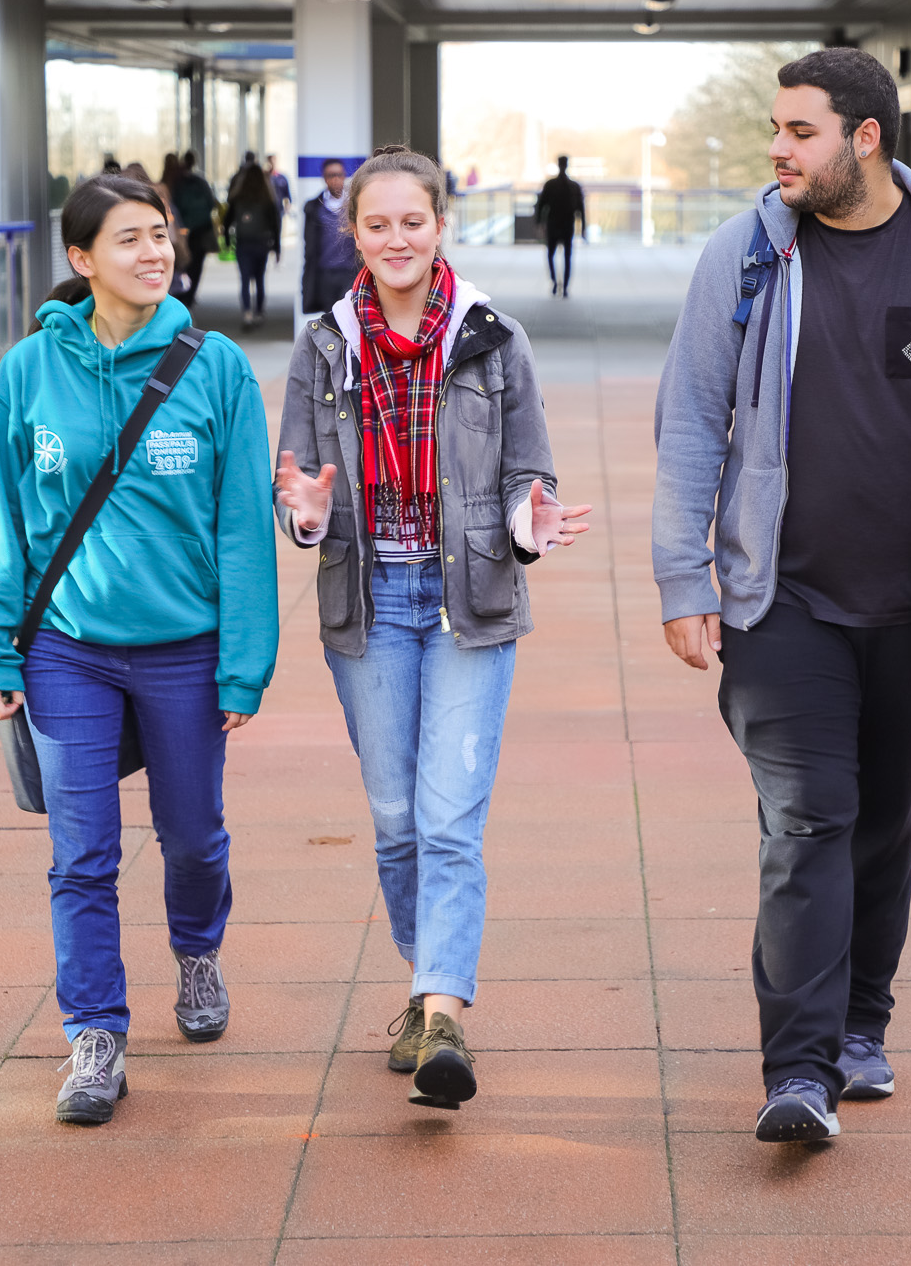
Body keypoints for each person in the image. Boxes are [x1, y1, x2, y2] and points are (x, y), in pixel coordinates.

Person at [653, 48, 911, 1144]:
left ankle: (861, 1023)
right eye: (775, 129)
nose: (778, 149)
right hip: (779, 601)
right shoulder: (742, 255)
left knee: (883, 825)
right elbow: (690, 422)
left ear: (863, 138)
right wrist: (686, 577)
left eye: (799, 131)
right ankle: (799, 1070)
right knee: (805, 821)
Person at [273, 147, 591, 1110]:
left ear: (442, 225)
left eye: (414, 222)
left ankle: (441, 1006)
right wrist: (308, 512)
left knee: (452, 817)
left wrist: (529, 527)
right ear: (353, 233)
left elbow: (528, 471)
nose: (397, 239)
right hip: (369, 605)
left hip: (468, 603)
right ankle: (426, 977)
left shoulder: (493, 339)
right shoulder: (323, 346)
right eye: (378, 225)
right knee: (397, 818)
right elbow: (297, 497)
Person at [0, 173, 279, 1127]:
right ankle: (94, 1034)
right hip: (69, 651)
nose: (154, 253)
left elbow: (242, 527)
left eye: (162, 236)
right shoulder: (29, 370)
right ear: (81, 259)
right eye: (130, 239)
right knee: (81, 852)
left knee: (191, 835)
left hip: (186, 649)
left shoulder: (214, 366)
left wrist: (243, 663)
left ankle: (197, 953)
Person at [225, 163, 282, 331]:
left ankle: (247, 313)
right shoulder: (267, 198)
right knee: (259, 279)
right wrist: (277, 247)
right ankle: (259, 312)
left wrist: (228, 240)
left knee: (244, 279)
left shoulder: (237, 197)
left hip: (243, 242)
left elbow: (228, 220)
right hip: (261, 243)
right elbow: (275, 225)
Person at [301, 159, 360, 315]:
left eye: (339, 175)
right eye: (331, 175)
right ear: (324, 178)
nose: (335, 179)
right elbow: (309, 245)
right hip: (325, 273)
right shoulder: (314, 208)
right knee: (329, 317)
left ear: (345, 176)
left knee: (350, 316)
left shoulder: (354, 206)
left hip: (350, 272)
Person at [533, 156, 586, 297]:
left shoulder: (550, 185)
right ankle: (565, 286)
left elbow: (541, 204)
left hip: (554, 224)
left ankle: (555, 282)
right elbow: (581, 209)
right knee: (567, 256)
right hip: (567, 224)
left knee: (551, 255)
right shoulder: (574, 186)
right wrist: (584, 227)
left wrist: (539, 222)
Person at [171, 151, 219, 307]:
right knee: (197, 265)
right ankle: (190, 296)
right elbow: (212, 203)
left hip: (185, 231)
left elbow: (175, 207)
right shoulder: (201, 182)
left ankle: (185, 294)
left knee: (185, 263)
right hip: (201, 230)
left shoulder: (178, 184)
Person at [266, 155, 293, 260]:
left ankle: (278, 255)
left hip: (278, 210)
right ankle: (268, 253)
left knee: (277, 232)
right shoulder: (265, 177)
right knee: (267, 233)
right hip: (266, 211)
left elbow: (287, 194)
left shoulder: (281, 178)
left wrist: (287, 205)